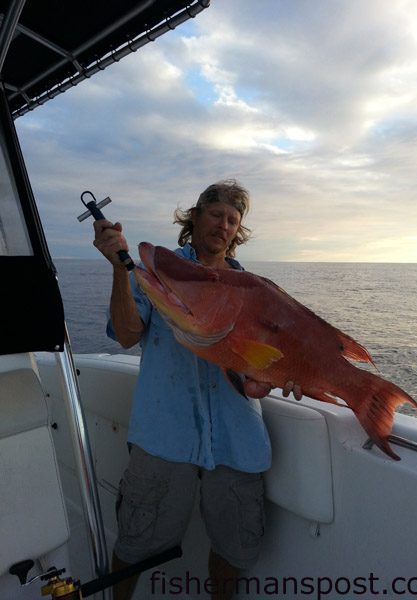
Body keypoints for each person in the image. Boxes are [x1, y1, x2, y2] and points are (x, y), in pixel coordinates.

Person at [93, 179, 301, 600]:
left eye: (232, 219)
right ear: (195, 216)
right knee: (135, 543)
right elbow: (128, 335)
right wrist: (120, 269)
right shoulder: (158, 271)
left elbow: (264, 366)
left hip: (237, 442)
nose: (223, 224)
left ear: (237, 230)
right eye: (215, 214)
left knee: (234, 550)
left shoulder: (254, 290)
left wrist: (281, 377)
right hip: (163, 437)